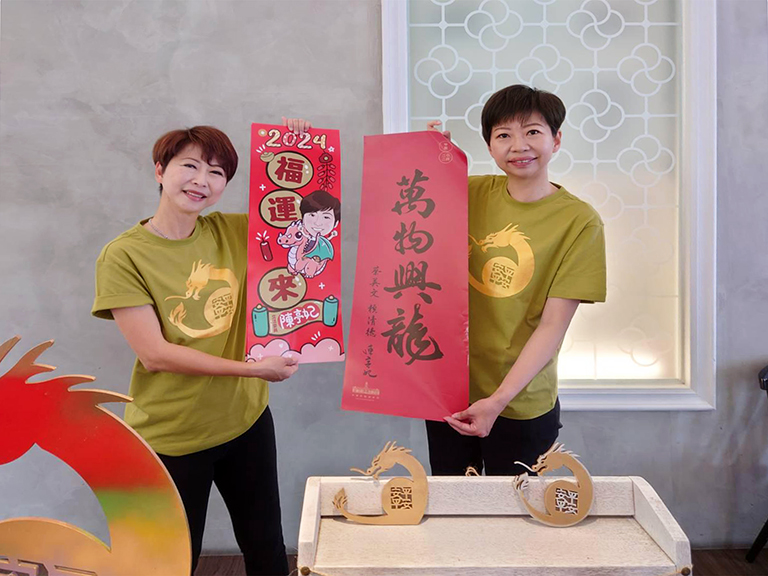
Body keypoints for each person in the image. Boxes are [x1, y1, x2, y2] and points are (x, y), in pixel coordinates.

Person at [91, 118, 310, 575]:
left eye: (216, 172)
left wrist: (298, 146)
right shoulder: (124, 255)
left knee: (267, 548)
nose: (201, 181)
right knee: (174, 563)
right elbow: (156, 355)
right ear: (160, 170)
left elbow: (306, 220)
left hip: (245, 421)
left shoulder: (232, 231)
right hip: (174, 436)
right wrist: (254, 370)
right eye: (189, 166)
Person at [426, 85, 606, 475]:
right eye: (504, 135)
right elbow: (407, 221)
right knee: (454, 501)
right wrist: (427, 157)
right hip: (451, 389)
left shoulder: (579, 222)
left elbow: (553, 325)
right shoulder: (468, 192)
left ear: (556, 140)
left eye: (533, 132)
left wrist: (498, 400)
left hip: (521, 401)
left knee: (518, 508)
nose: (519, 146)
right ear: (489, 147)